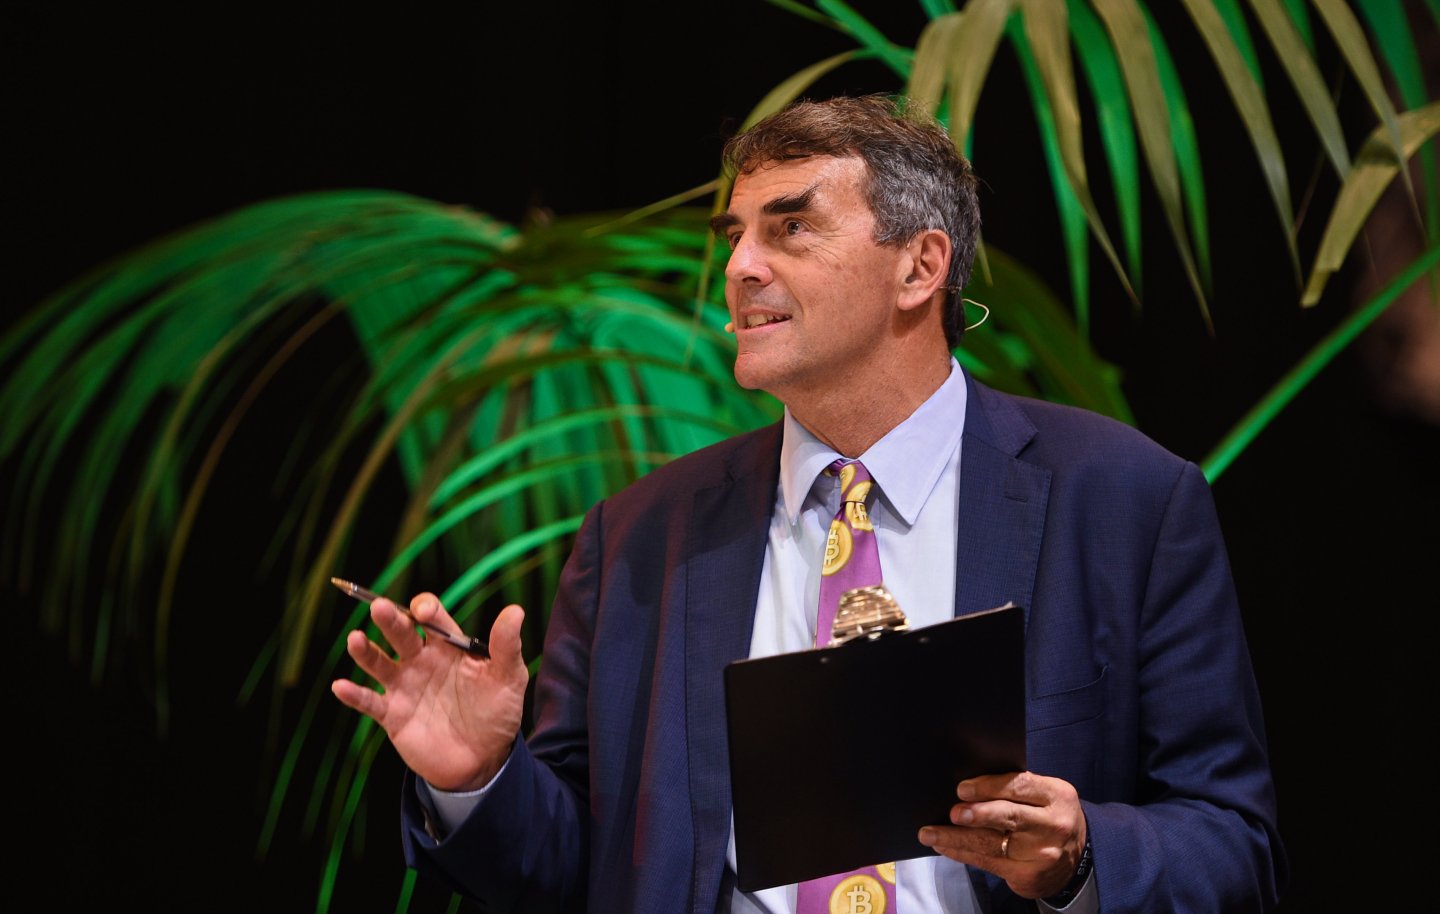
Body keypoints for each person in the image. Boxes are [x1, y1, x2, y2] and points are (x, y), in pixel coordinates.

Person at [332, 94, 1286, 913]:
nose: (740, 267)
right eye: (735, 236)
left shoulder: (1126, 502)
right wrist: (478, 778)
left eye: (789, 228)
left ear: (920, 267)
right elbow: (577, 870)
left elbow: (1234, 845)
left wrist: (1078, 857)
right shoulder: (641, 535)